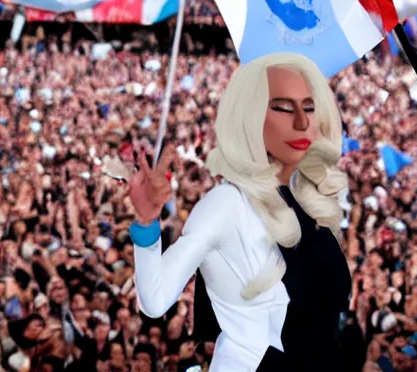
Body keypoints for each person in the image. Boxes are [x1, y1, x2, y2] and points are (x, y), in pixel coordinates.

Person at [128, 52, 352, 371]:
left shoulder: (311, 203)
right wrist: (148, 224)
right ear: (249, 118)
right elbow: (155, 300)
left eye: (310, 107)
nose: (302, 122)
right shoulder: (226, 204)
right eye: (283, 108)